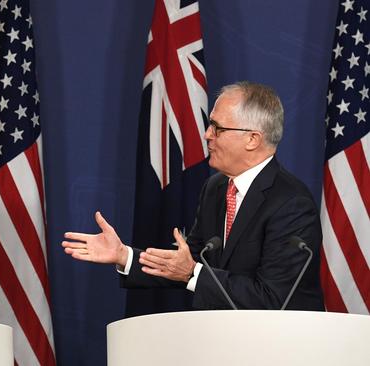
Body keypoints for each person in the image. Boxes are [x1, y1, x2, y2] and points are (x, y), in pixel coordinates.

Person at [62, 81, 324, 310]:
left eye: (217, 128)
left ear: (252, 139)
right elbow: (190, 263)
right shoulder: (216, 188)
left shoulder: (291, 203)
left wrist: (191, 272)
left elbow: (273, 298)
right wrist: (125, 256)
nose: (207, 135)